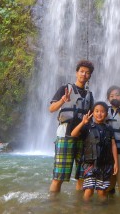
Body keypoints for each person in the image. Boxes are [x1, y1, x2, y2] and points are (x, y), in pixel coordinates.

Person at [49, 60, 95, 193]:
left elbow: (93, 116)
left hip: (83, 137)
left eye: (87, 73)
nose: (84, 74)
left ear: (89, 76)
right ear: (76, 73)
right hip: (65, 135)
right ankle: (53, 205)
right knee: (59, 176)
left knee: (82, 176)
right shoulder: (65, 89)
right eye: (81, 71)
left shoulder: (89, 95)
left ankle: (78, 207)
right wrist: (62, 100)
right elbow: (51, 108)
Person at [71, 101, 118, 201]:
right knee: (88, 190)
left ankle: (102, 209)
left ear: (106, 113)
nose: (99, 114)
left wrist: (116, 163)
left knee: (102, 192)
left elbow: (113, 145)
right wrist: (82, 122)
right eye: (96, 111)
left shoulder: (109, 128)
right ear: (93, 112)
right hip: (89, 164)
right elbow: (73, 134)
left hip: (105, 164)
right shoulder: (87, 127)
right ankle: (85, 209)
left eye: (102, 111)